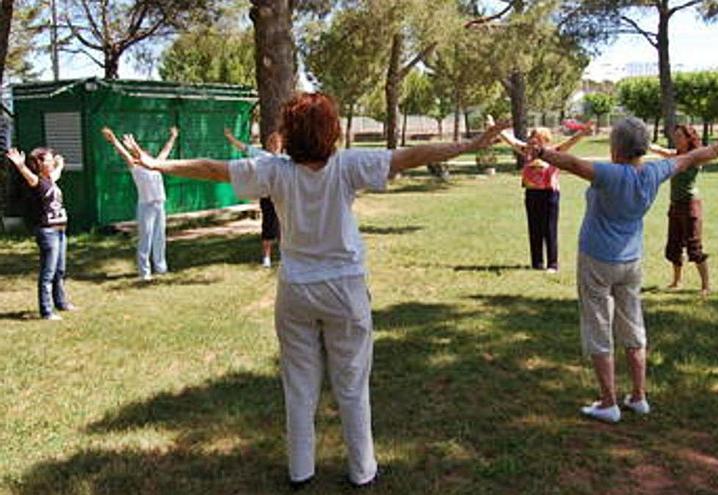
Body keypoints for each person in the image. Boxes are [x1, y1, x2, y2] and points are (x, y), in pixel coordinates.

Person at [120, 92, 508, 489]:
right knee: (352, 384)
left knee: (300, 385)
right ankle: (363, 471)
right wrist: (469, 144)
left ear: (288, 132)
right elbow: (410, 156)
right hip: (344, 288)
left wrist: (157, 164)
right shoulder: (345, 166)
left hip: (296, 291)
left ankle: (300, 471)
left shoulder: (275, 171)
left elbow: (214, 169)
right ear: (332, 130)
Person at [517, 117, 718, 423]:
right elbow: (693, 156)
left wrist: (542, 153)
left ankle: (609, 402)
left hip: (597, 260)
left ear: (617, 146)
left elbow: (572, 164)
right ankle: (639, 396)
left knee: (598, 326)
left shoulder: (610, 174)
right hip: (631, 261)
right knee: (633, 326)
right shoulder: (654, 171)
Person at [494, 119, 589, 272]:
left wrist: (583, 133)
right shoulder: (526, 151)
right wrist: (496, 128)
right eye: (532, 136)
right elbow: (510, 141)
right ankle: (537, 263)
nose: (532, 139)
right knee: (534, 228)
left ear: (545, 139)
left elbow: (570, 142)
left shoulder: (554, 152)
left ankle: (552, 264)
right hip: (531, 194)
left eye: (536, 136)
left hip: (550, 194)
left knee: (549, 229)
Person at [7, 147, 75, 320]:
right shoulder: (37, 182)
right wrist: (21, 165)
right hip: (48, 232)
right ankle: (46, 310)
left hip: (60, 231)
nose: (51, 162)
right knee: (48, 273)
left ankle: (61, 302)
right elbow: (27, 175)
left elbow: (58, 170)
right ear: (39, 163)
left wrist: (59, 163)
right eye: (48, 160)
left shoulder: (50, 179)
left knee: (60, 270)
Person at [102, 127, 177, 281]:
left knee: (160, 237)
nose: (146, 156)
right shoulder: (136, 168)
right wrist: (114, 140)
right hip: (146, 206)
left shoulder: (157, 165)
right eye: (142, 154)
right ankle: (144, 272)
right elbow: (124, 153)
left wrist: (173, 137)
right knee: (146, 238)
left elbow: (166, 150)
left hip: (159, 205)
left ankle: (161, 268)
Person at [649, 125, 710, 296]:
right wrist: (643, 141)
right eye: (674, 136)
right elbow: (659, 150)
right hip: (675, 205)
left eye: (679, 136)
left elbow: (709, 154)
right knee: (674, 245)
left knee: (694, 246)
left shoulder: (695, 157)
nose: (676, 139)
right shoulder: (674, 155)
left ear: (689, 138)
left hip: (691, 204)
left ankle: (705, 285)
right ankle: (676, 281)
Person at [224, 127, 282, 268]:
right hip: (267, 197)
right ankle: (266, 257)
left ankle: (285, 255)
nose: (274, 144)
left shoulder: (285, 159)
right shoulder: (262, 155)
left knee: (285, 226)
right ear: (268, 144)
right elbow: (244, 148)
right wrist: (230, 137)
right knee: (268, 226)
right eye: (272, 142)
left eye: (277, 142)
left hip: (283, 197)